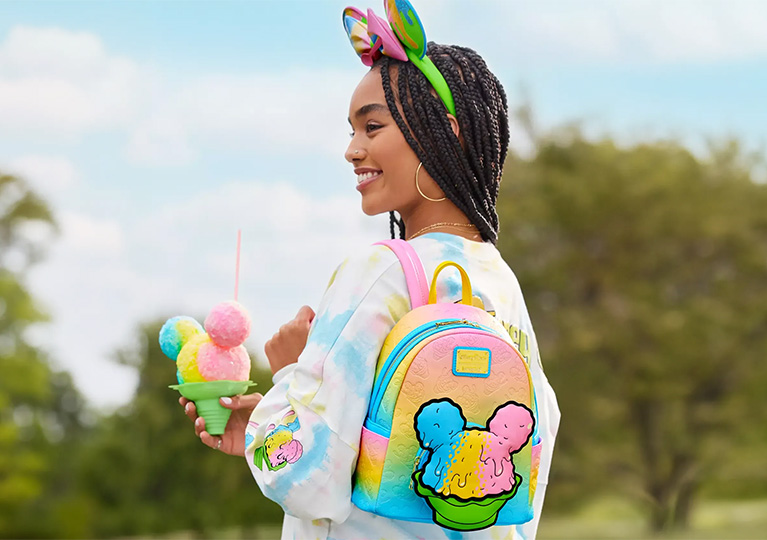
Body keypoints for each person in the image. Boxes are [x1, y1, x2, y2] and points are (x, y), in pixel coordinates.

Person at [181, 7, 560, 539]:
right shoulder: (500, 281)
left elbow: (304, 475)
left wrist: (290, 378)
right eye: (353, 130)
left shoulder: (381, 272)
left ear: (444, 135)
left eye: (373, 126)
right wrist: (264, 421)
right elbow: (532, 458)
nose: (352, 149)